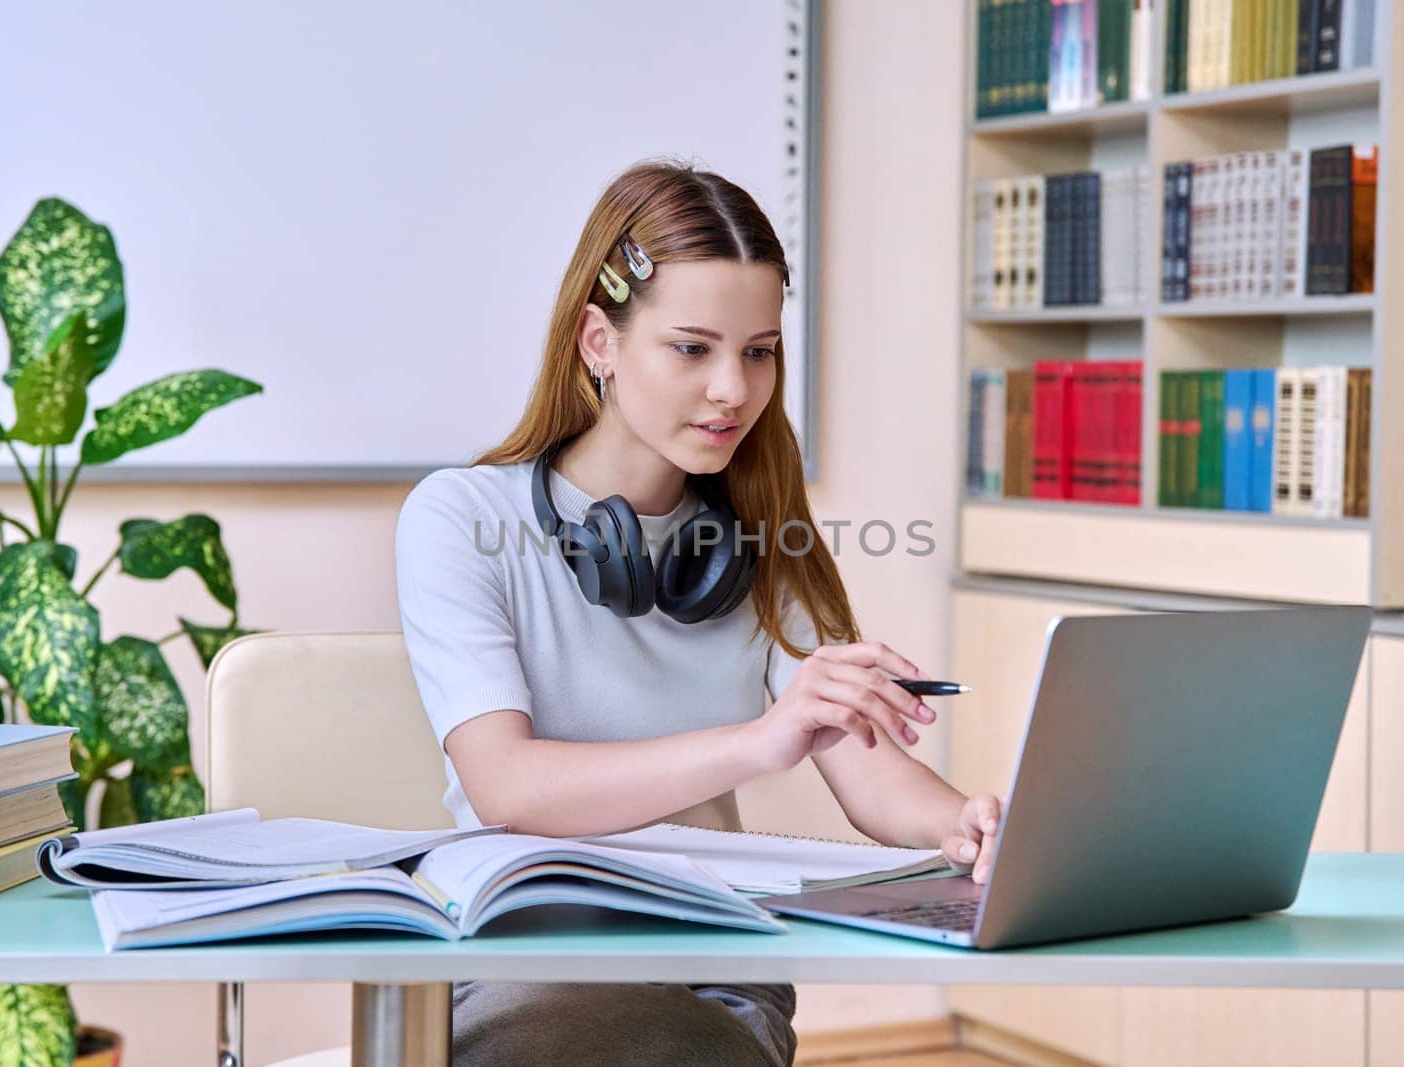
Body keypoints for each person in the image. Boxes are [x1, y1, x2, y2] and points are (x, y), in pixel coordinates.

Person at [395, 158, 1003, 1066]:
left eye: (758, 351)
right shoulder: (461, 519)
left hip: (709, 965)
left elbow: (868, 766)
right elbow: (508, 788)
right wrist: (759, 740)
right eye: (693, 348)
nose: (733, 389)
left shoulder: (759, 535)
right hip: (525, 959)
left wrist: (967, 825)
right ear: (599, 342)